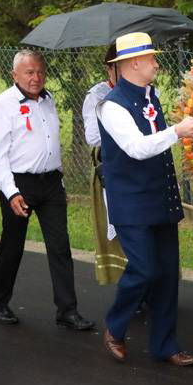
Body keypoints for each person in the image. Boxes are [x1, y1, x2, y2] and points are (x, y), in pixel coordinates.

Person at [97, 32, 193, 366]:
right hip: (131, 201)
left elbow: (155, 141)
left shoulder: (149, 97)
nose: (157, 63)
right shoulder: (112, 105)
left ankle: (165, 345)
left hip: (159, 198)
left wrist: (181, 131)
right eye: (152, 58)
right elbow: (136, 148)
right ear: (134, 63)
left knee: (168, 274)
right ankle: (115, 326)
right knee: (144, 270)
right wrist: (177, 131)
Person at [0, 49, 95, 330]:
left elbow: (49, 144)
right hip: (19, 184)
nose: (36, 78)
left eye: (39, 72)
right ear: (15, 75)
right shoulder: (3, 104)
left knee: (60, 247)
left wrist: (58, 179)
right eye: (29, 72)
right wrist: (10, 192)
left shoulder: (49, 100)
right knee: (12, 246)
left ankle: (67, 310)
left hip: (50, 185)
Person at [82, 45, 127, 286]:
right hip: (110, 171)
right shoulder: (97, 96)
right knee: (119, 233)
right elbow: (93, 137)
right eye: (119, 67)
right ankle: (128, 287)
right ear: (110, 68)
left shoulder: (149, 92)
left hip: (141, 170)